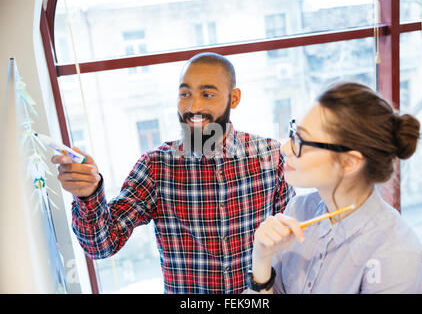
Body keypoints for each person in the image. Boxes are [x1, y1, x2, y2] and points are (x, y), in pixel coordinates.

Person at [51, 52, 295, 293]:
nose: (193, 106)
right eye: (185, 94)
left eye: (207, 94)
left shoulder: (269, 156)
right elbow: (101, 246)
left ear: (233, 98)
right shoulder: (157, 166)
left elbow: (292, 244)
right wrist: (89, 195)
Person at [246, 82, 422, 294]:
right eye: (293, 131)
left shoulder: (397, 255)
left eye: (301, 140)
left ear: (349, 163)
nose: (285, 148)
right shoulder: (299, 210)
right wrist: (261, 261)